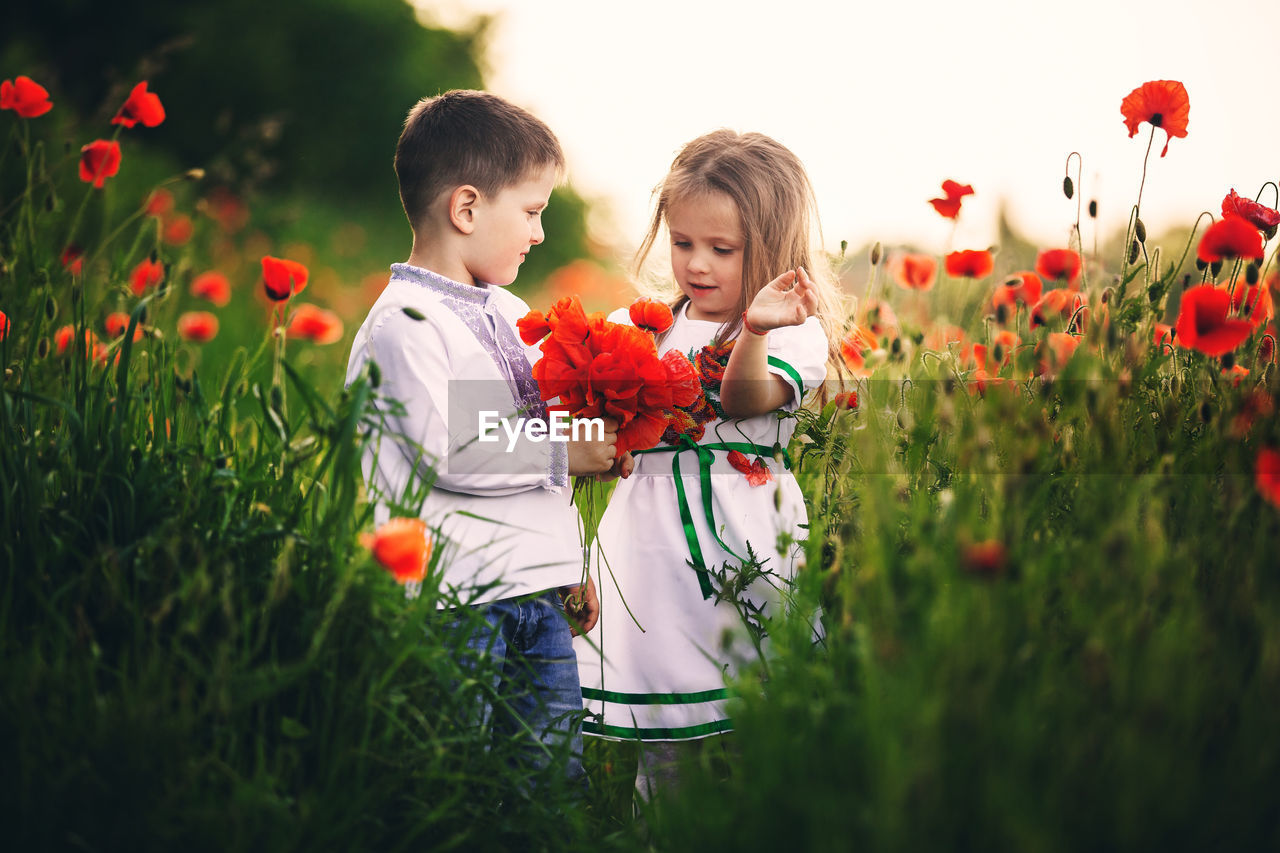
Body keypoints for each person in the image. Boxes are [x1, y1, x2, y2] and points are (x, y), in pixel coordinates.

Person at [344, 90, 615, 789]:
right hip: (453, 601)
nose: (539, 234)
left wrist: (565, 560)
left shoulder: (509, 311)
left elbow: (537, 428)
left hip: (535, 597)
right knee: (452, 779)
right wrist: (566, 448)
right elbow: (455, 445)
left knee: (549, 778)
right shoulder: (405, 321)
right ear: (466, 209)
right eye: (530, 212)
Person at [575, 129, 844, 802]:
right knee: (669, 735)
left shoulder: (790, 330)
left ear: (771, 247)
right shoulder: (640, 326)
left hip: (746, 544)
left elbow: (744, 400)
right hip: (649, 553)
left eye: (722, 249)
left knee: (758, 721)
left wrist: (753, 330)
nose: (697, 263)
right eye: (682, 241)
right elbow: (594, 436)